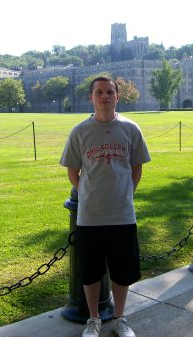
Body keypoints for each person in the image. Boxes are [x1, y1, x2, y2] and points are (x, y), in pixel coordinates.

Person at [60, 76, 151, 337]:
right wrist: (89, 194)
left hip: (122, 214)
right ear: (91, 97)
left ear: (117, 97)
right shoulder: (80, 131)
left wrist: (124, 194)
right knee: (90, 272)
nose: (105, 96)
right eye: (99, 92)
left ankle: (121, 318)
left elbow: (136, 168)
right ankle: (93, 320)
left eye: (110, 92)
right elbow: (73, 171)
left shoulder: (131, 128)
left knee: (122, 271)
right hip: (90, 215)